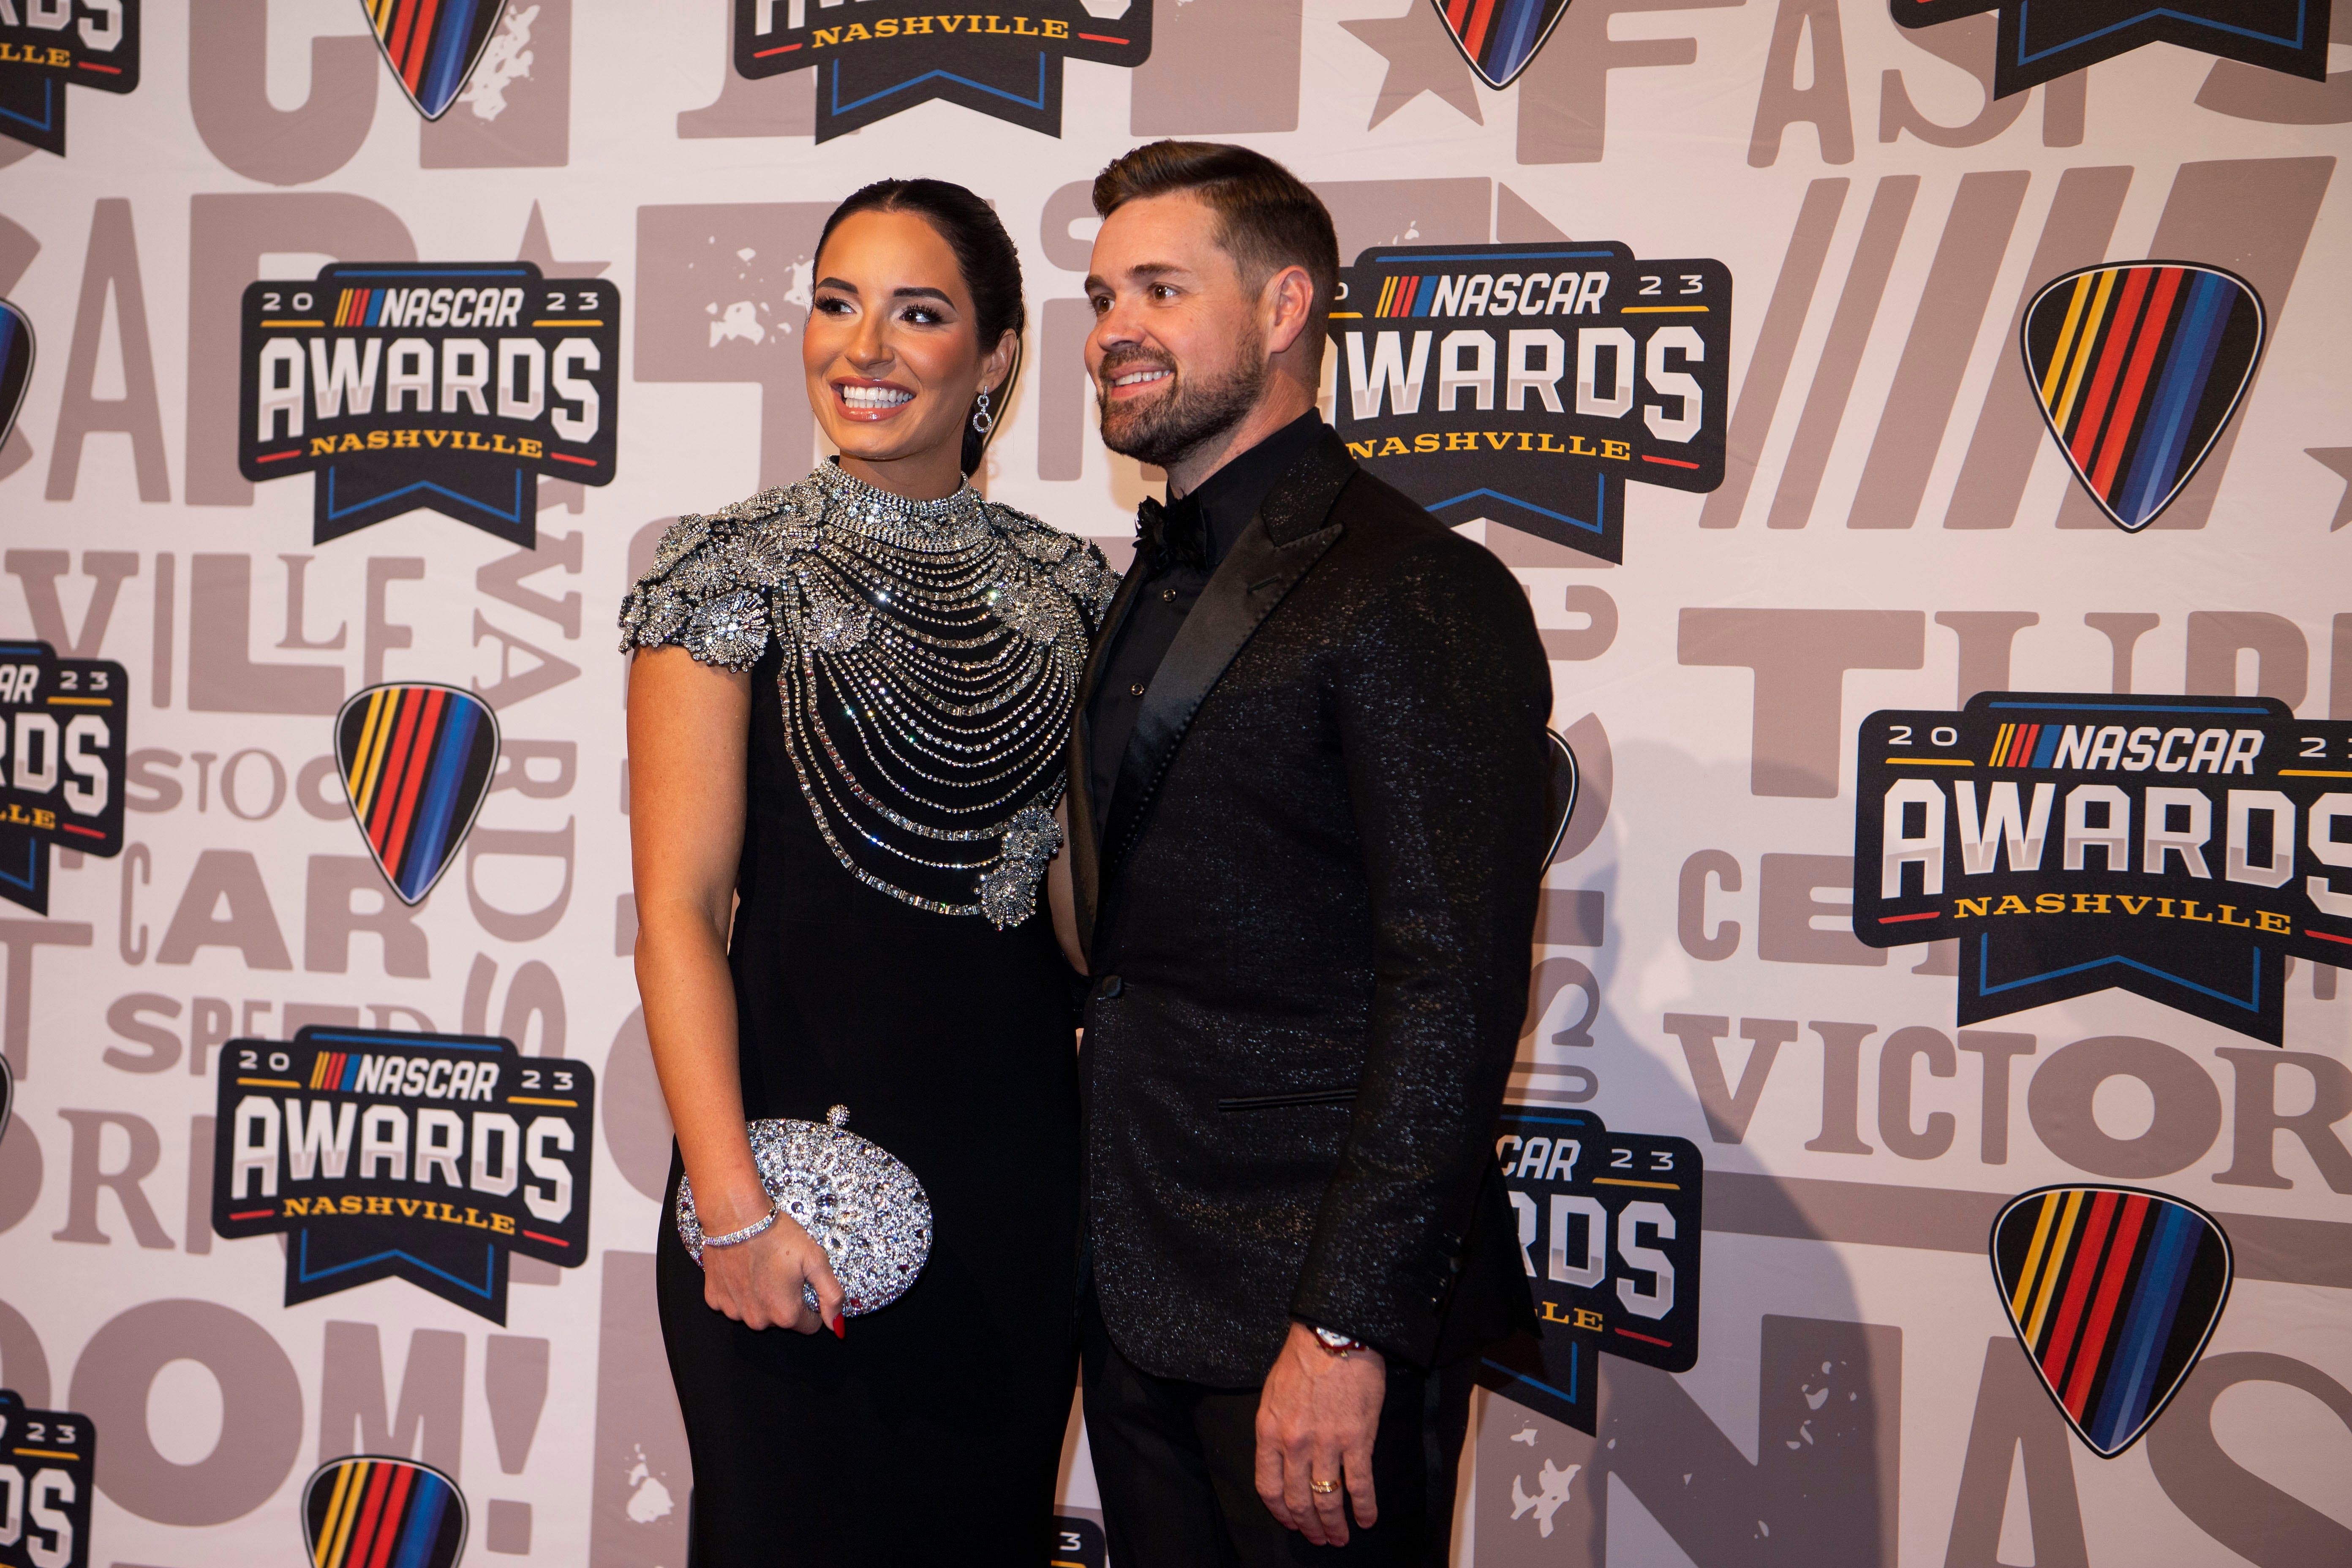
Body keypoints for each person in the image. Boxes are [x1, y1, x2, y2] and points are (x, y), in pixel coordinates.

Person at [1057, 141, 1552, 1565]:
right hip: (1134, 1287)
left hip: (1310, 1327)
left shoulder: (1416, 588)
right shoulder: (1142, 583)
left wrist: (1344, 1327)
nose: (1114, 331)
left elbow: (1451, 992)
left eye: (1161, 286)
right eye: (1101, 296)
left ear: (1285, 310)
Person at [621, 178, 1116, 1565]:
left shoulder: (1077, 593)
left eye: (919, 313)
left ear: (997, 355)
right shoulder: (724, 573)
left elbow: (1087, 927)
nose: (864, 349)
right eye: (837, 305)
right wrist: (731, 1208)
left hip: (1018, 1196)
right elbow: (675, 915)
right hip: (780, 1192)